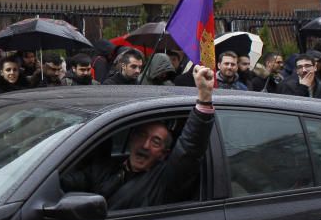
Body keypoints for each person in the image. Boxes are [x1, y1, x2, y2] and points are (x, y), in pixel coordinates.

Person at [60, 65, 216, 210]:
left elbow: (189, 149)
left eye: (156, 142)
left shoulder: (164, 180)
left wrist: (204, 98)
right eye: (142, 136)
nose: (145, 145)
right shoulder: (104, 168)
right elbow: (62, 182)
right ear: (132, 139)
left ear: (164, 154)